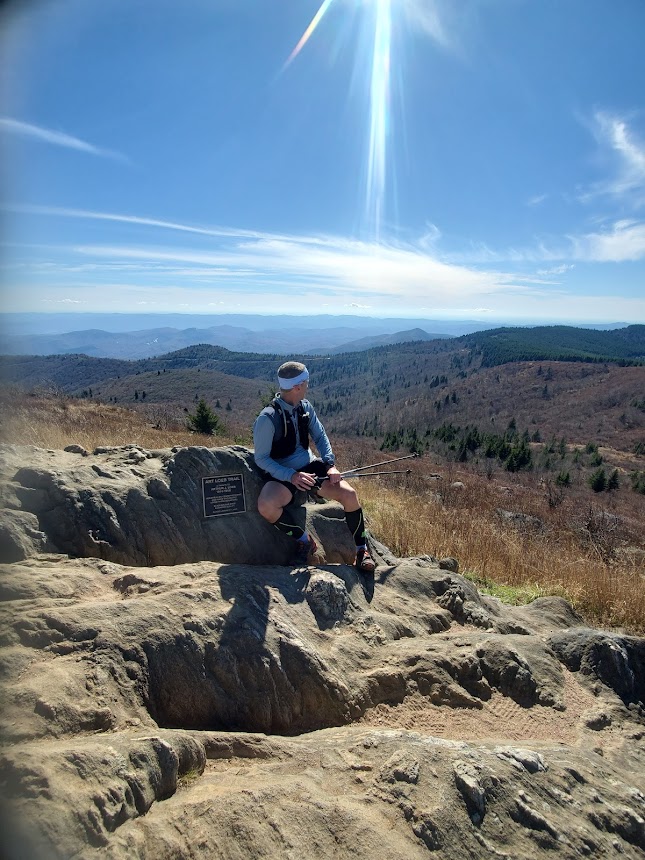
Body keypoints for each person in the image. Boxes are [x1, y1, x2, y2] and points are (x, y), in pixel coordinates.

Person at [253, 361, 376, 572]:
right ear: (297, 386)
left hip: (310, 467)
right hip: (284, 475)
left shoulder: (305, 407)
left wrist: (330, 465)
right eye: (306, 382)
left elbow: (320, 436)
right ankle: (305, 540)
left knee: (350, 495)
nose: (308, 386)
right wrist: (291, 476)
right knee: (266, 506)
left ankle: (361, 550)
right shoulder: (268, 419)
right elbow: (262, 459)